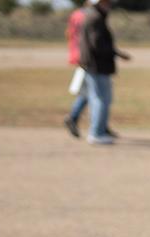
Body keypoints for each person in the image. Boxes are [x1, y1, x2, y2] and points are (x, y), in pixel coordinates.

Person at [74, 0, 124, 147]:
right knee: (101, 99)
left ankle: (99, 131)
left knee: (98, 98)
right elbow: (97, 44)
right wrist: (113, 53)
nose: (109, 5)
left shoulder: (91, 15)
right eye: (106, 2)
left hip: (94, 64)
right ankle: (96, 133)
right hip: (97, 65)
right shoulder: (95, 18)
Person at [61, 0, 86, 137]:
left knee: (90, 91)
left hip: (77, 55)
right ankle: (73, 117)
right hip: (86, 57)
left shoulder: (75, 14)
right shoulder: (87, 15)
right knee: (91, 91)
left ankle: (101, 124)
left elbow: (68, 33)